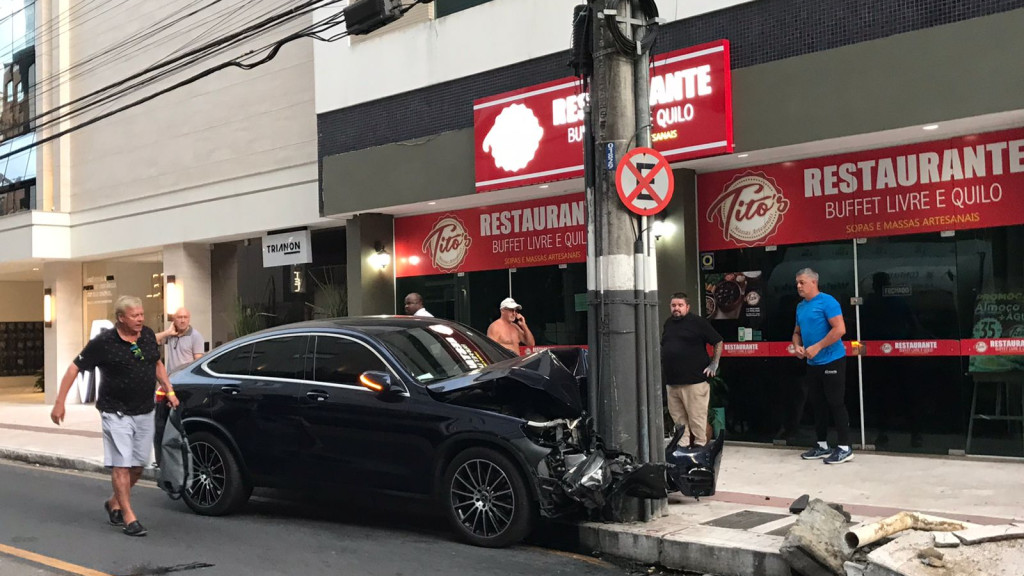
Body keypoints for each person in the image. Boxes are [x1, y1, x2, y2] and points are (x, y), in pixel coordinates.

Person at [50, 296, 178, 537]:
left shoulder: (148, 335)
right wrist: (59, 403)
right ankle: (129, 517)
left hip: (144, 410)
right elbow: (73, 368)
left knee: (138, 466)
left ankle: (113, 502)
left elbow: (156, 364)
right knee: (121, 464)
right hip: (115, 412)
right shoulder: (103, 343)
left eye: (141, 314)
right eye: (135, 315)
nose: (140, 319)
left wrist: (169, 390)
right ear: (121, 318)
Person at [792, 268, 853, 464]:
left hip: (832, 360)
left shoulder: (828, 302)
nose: (798, 286)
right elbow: (796, 332)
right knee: (817, 404)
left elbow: (840, 329)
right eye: (797, 283)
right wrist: (797, 346)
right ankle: (822, 445)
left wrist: (818, 346)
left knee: (835, 402)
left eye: (802, 282)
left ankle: (844, 447)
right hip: (812, 363)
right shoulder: (800, 307)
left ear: (813, 283)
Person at [660, 292, 723, 447]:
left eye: (680, 305)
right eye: (674, 305)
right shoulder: (668, 323)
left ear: (687, 307)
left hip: (695, 382)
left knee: (697, 420)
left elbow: (718, 341)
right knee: (679, 423)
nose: (676, 308)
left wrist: (714, 364)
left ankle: (701, 453)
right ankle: (683, 453)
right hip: (673, 383)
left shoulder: (698, 322)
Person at [156, 307, 205, 372]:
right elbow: (151, 340)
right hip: (171, 378)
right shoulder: (170, 334)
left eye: (185, 317)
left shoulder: (195, 336)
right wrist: (167, 332)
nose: (182, 321)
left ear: (189, 319)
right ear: (174, 320)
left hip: (185, 379)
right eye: (179, 317)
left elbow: (199, 363)